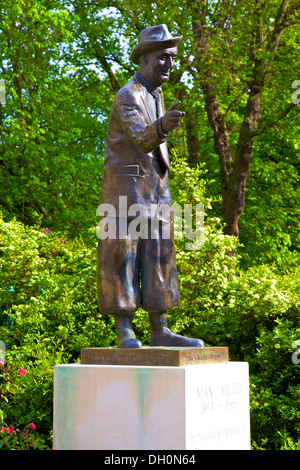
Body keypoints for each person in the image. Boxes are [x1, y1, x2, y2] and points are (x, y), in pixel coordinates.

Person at [97, 25, 204, 349]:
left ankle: (160, 328)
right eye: (163, 58)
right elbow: (144, 138)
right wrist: (163, 125)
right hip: (125, 193)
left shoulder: (156, 95)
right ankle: (125, 331)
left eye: (172, 58)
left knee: (160, 255)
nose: (169, 64)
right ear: (143, 60)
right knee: (121, 255)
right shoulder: (127, 95)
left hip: (156, 190)